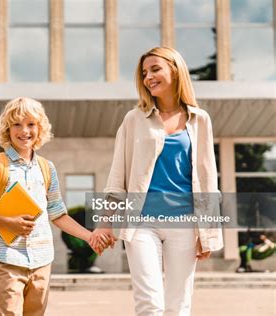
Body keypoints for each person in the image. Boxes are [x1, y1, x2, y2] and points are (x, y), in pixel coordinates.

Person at [92, 47, 224, 315]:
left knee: (179, 304)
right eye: (144, 73)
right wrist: (105, 221)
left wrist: (208, 231)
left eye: (155, 69)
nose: (148, 77)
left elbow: (208, 178)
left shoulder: (200, 120)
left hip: (184, 222)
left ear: (175, 71)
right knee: (149, 303)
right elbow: (118, 175)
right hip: (142, 222)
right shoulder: (134, 119)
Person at [0, 97, 108, 316]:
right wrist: (8, 223)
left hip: (42, 259)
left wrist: (89, 237)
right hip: (7, 257)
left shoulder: (46, 168)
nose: (25, 131)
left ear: (40, 128)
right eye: (17, 124)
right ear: (7, 129)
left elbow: (58, 214)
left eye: (31, 124)